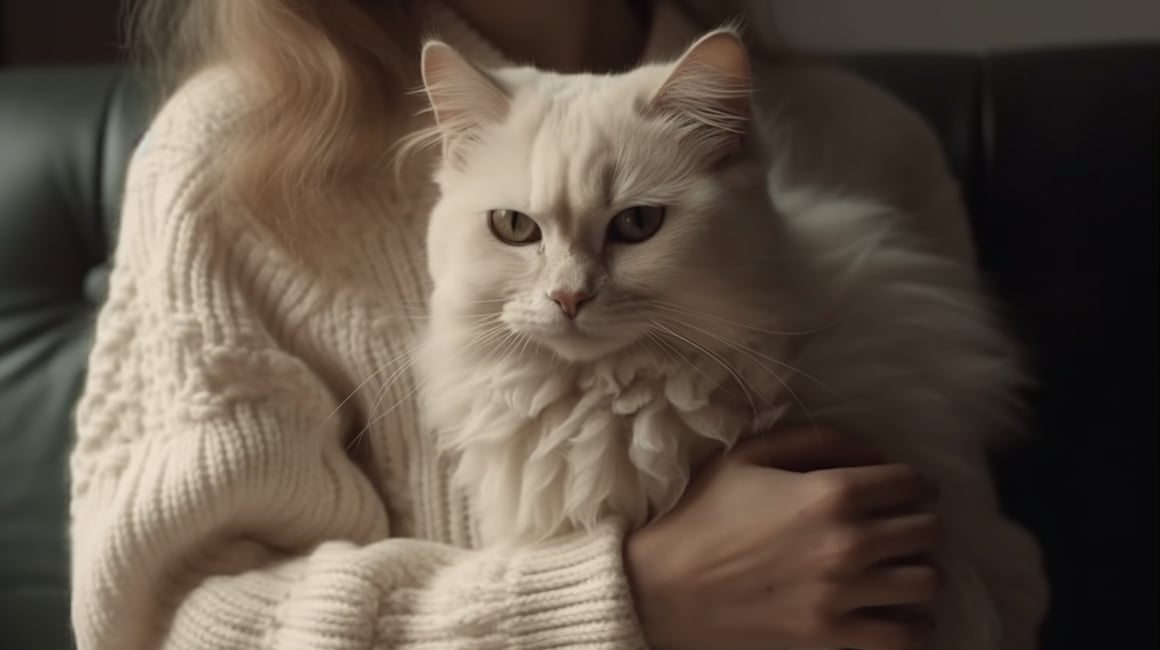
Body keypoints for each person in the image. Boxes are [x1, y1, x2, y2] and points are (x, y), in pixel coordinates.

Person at [70, 1, 1047, 648]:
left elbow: (997, 589)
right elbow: (166, 622)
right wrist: (622, 600)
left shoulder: (860, 136)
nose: (571, 290)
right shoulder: (232, 151)